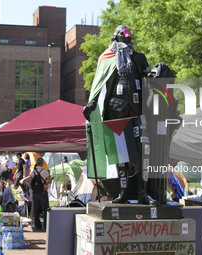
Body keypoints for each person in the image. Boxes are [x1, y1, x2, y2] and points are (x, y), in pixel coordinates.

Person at [83, 25, 156, 205]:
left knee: (141, 153)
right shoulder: (108, 58)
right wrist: (92, 103)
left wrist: (155, 74)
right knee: (120, 155)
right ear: (115, 39)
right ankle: (123, 193)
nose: (126, 41)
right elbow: (100, 82)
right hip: (116, 113)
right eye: (123, 38)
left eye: (128, 38)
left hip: (137, 111)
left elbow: (148, 75)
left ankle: (141, 192)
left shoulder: (138, 58)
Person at [29, 158, 52, 231]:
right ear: (42, 163)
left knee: (36, 209)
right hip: (43, 191)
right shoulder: (45, 171)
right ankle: (45, 225)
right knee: (45, 209)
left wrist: (34, 187)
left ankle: (37, 226)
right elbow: (50, 181)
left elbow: (29, 182)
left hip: (35, 192)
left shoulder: (34, 172)